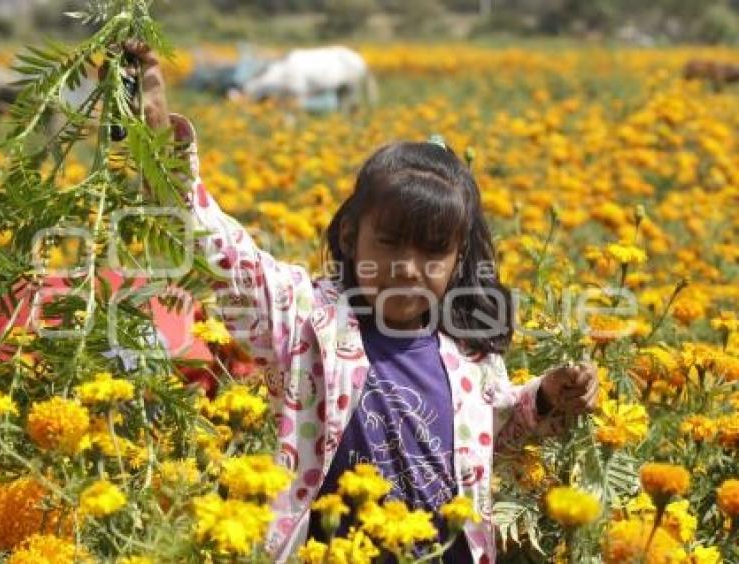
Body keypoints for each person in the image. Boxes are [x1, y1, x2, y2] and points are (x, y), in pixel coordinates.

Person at [117, 42, 599, 563]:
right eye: (389, 243)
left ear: (458, 259)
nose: (407, 268)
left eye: (433, 252)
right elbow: (215, 249)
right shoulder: (304, 316)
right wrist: (159, 145)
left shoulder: (470, 351)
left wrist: (547, 397)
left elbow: (494, 439)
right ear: (350, 236)